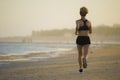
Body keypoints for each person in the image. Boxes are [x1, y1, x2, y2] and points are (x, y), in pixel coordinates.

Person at [75, 7, 92, 73]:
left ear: (80, 13)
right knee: (86, 54)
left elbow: (76, 31)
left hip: (79, 38)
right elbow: (90, 32)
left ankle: (80, 68)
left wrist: (77, 31)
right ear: (86, 13)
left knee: (79, 54)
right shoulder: (89, 22)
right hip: (86, 38)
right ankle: (85, 58)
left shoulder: (77, 21)